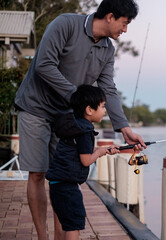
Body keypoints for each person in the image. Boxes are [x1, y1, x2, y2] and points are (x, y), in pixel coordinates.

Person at [14, 0, 146, 239]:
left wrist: (124, 127)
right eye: (124, 23)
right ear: (109, 16)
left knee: (62, 178)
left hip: (66, 115)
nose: (125, 30)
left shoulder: (108, 49)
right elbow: (44, 65)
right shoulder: (65, 25)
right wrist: (76, 97)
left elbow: (107, 87)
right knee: (38, 172)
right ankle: (42, 237)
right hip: (36, 106)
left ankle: (58, 237)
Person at [46, 85, 118, 239]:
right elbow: (85, 161)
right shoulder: (85, 131)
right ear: (89, 110)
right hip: (68, 187)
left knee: (66, 222)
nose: (104, 111)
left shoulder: (75, 126)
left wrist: (102, 150)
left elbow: (78, 151)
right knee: (74, 224)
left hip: (57, 184)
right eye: (102, 106)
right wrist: (99, 152)